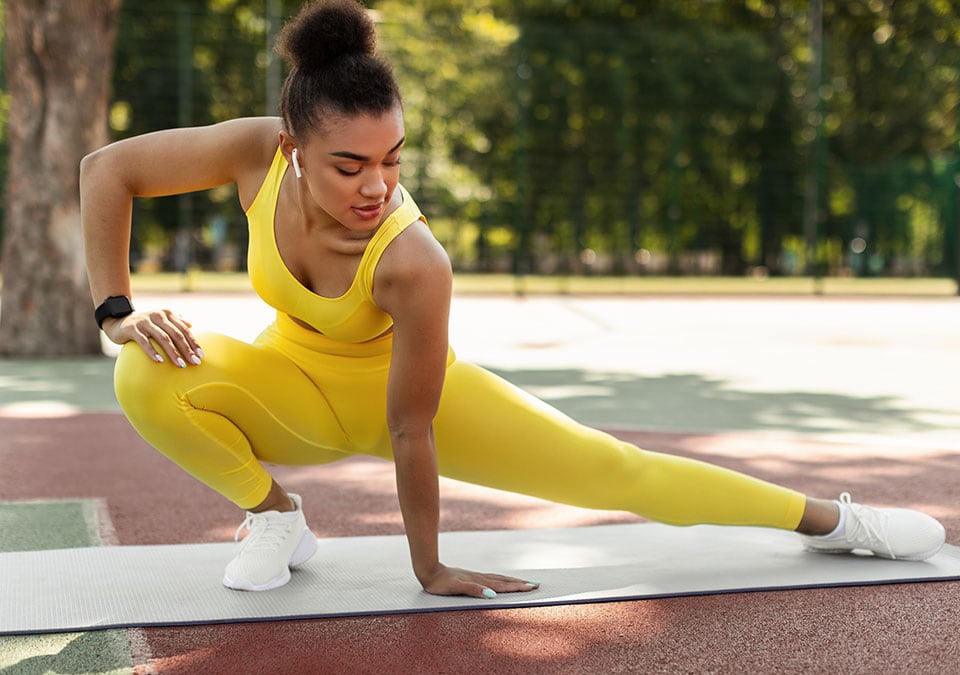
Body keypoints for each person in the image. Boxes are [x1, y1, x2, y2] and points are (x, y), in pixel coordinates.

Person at [80, 0, 945, 599]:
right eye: (351, 165)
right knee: (143, 373)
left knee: (621, 472)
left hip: (427, 403)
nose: (376, 184)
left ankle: (836, 521)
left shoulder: (414, 262)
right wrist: (116, 309)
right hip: (291, 387)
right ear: (293, 147)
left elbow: (408, 429)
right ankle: (275, 520)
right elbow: (106, 170)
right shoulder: (251, 153)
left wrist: (431, 569)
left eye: (393, 159)